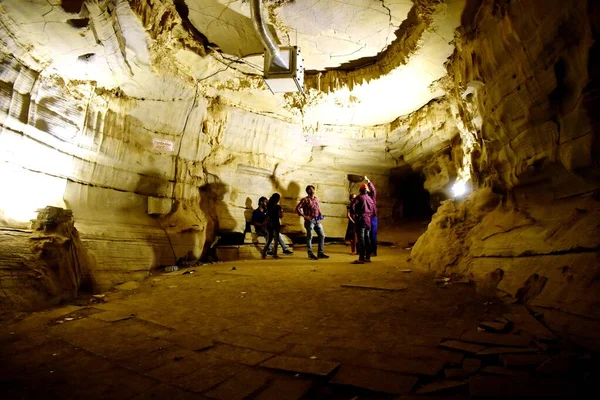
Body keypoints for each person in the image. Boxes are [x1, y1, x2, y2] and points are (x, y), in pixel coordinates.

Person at [295, 185, 329, 260]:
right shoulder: (305, 200)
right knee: (310, 237)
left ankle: (320, 253)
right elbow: (297, 208)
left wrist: (320, 214)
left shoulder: (316, 199)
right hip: (310, 221)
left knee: (322, 235)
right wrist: (305, 216)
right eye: (310, 189)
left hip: (317, 220)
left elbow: (318, 208)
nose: (312, 190)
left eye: (313, 189)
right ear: (307, 191)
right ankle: (310, 254)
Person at [350, 183, 375, 264]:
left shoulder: (359, 197)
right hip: (368, 220)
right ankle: (367, 257)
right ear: (366, 190)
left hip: (361, 220)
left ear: (360, 190)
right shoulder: (370, 198)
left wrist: (355, 213)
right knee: (367, 239)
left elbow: (352, 206)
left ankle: (361, 258)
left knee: (361, 240)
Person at [262, 193, 283, 259]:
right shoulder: (278, 207)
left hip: (269, 223)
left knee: (269, 239)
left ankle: (264, 253)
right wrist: (282, 211)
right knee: (276, 240)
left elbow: (267, 215)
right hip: (275, 223)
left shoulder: (268, 206)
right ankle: (275, 255)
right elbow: (280, 216)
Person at [365, 176, 378, 257]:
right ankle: (368, 251)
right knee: (367, 235)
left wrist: (369, 181)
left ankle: (373, 251)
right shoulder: (363, 197)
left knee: (372, 235)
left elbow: (373, 190)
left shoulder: (371, 197)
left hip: (372, 218)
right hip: (367, 218)